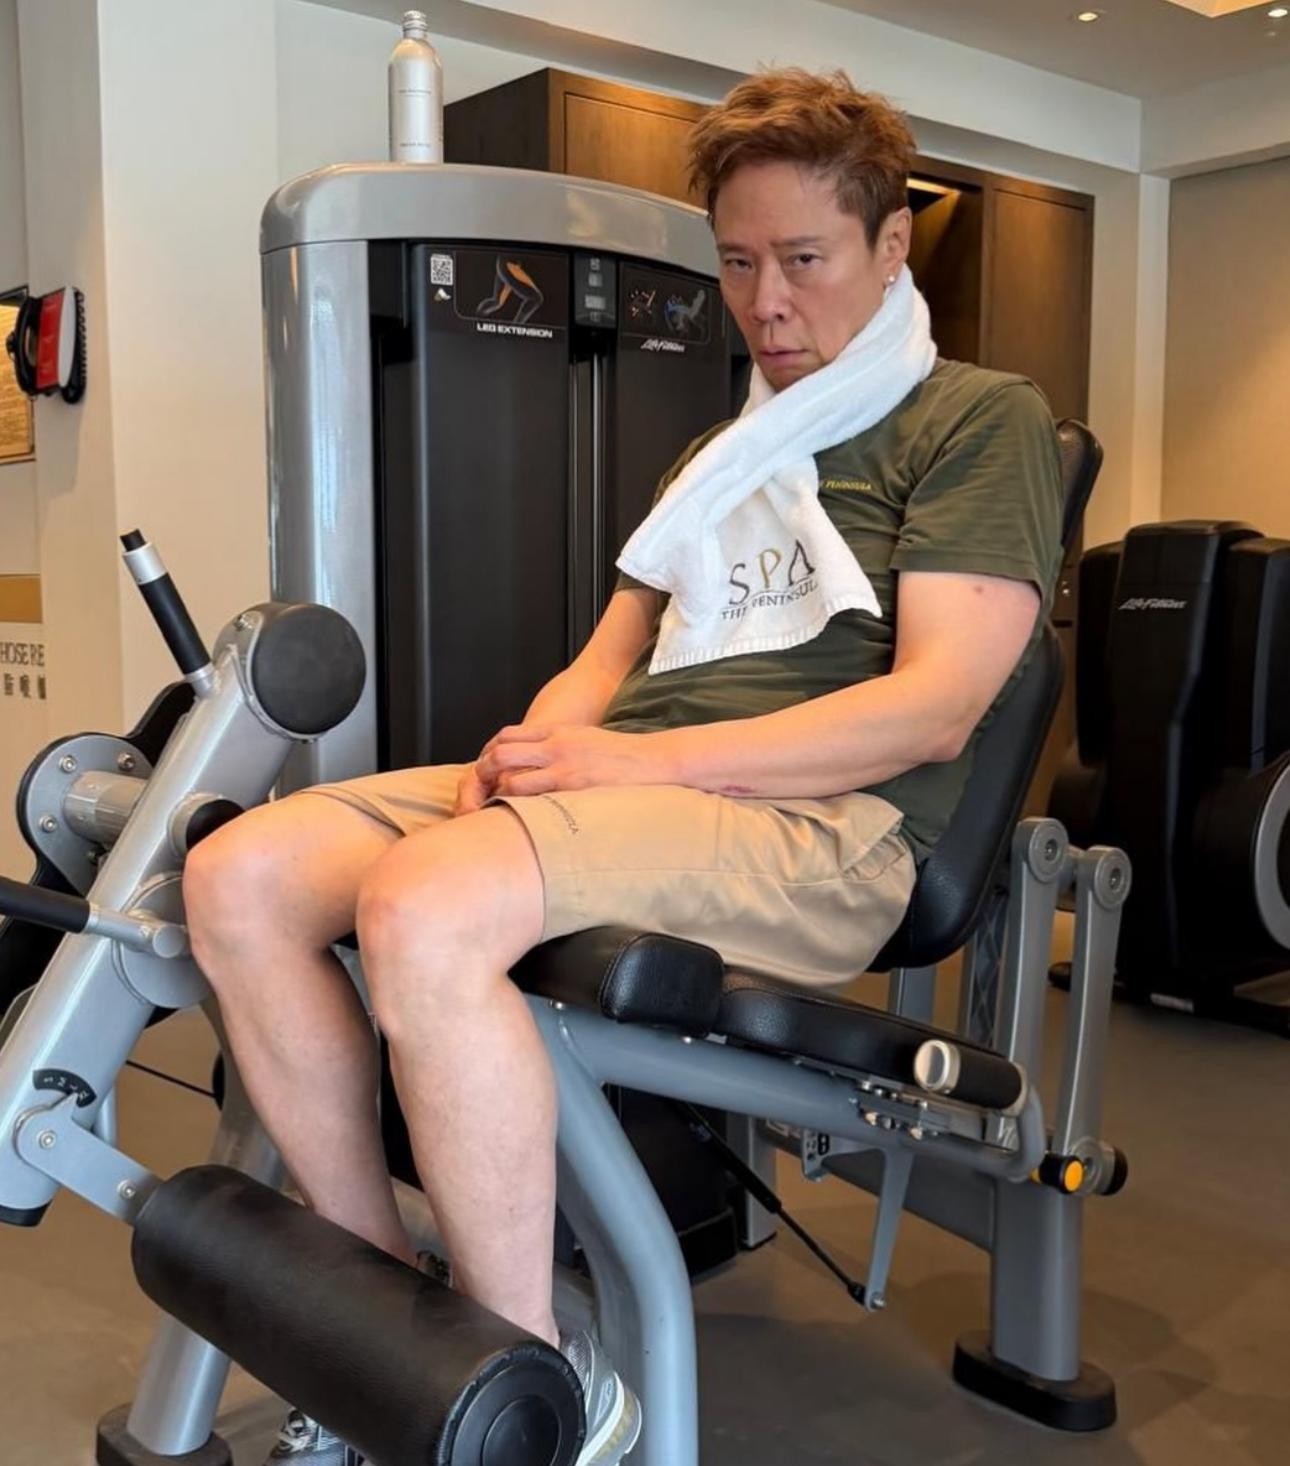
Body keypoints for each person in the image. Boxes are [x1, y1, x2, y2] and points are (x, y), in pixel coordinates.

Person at [183, 67, 1062, 1466]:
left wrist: (617, 767)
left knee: (423, 905)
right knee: (240, 875)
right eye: (738, 264)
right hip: (647, 790)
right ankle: (386, 1331)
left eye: (803, 260)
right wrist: (537, 754)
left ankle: (536, 1386)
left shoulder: (974, 418)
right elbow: (606, 658)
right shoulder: (720, 453)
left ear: (891, 245)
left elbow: (932, 713)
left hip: (830, 827)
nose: (765, 302)